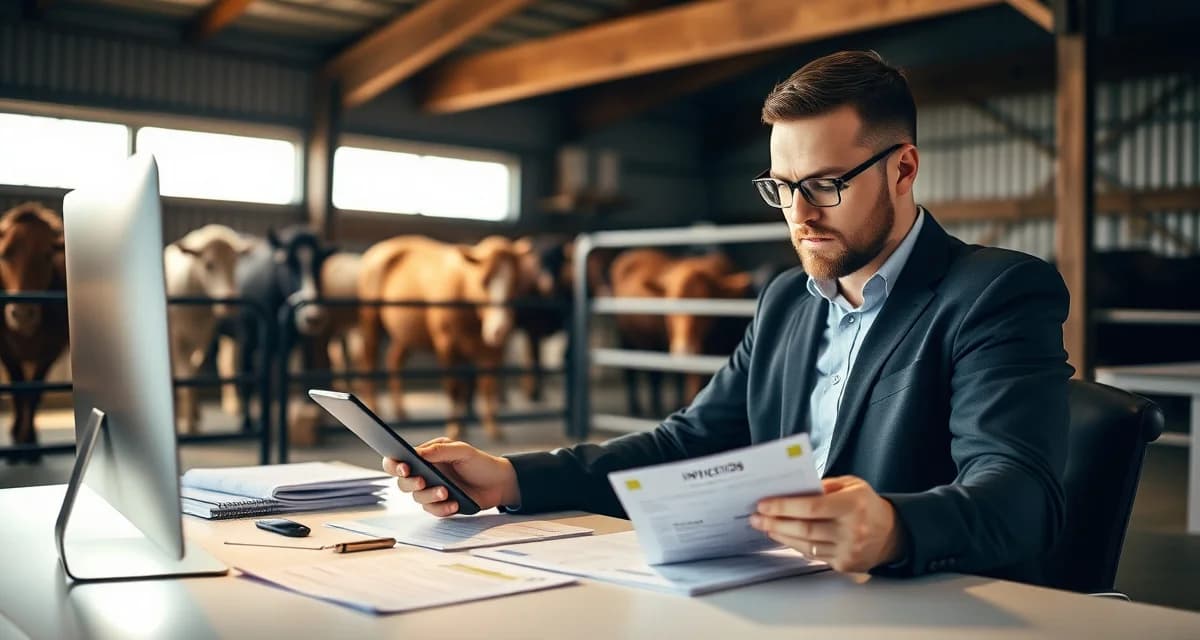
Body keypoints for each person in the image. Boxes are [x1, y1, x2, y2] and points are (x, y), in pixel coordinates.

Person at [383, 50, 1072, 583]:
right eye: (783, 188)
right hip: (779, 594)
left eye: (825, 184)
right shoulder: (786, 301)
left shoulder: (997, 293)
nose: (800, 215)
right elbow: (687, 442)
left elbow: (1021, 497)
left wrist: (895, 527)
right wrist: (513, 477)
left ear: (903, 169)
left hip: (920, 605)